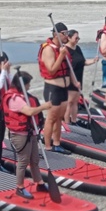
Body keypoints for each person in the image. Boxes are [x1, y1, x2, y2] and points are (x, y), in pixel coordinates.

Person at [2, 71, 52, 199]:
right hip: (20, 135)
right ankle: (19, 187)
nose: (29, 86)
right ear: (22, 85)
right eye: (28, 84)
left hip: (31, 132)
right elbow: (29, 112)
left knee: (35, 159)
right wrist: (44, 107)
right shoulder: (15, 99)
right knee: (23, 161)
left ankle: (39, 183)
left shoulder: (22, 95)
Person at [38, 22, 75, 154]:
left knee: (59, 117)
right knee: (51, 117)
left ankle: (57, 143)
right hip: (53, 88)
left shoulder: (62, 48)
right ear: (56, 34)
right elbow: (52, 69)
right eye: (64, 33)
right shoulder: (48, 49)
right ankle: (48, 146)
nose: (66, 36)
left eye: (67, 33)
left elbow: (68, 69)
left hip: (64, 88)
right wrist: (61, 55)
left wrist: (75, 82)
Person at [64, 29, 98, 123]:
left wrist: (93, 61)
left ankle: (74, 120)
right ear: (69, 38)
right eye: (76, 38)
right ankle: (67, 122)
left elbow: (83, 62)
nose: (77, 40)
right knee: (69, 102)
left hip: (79, 79)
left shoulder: (77, 48)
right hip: (70, 80)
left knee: (75, 102)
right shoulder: (65, 50)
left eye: (78, 38)